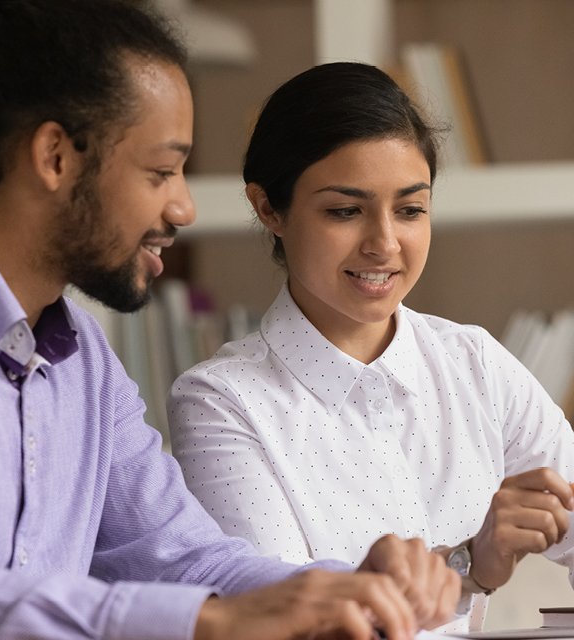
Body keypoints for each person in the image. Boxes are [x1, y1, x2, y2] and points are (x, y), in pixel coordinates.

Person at [0, 2, 463, 639]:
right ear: (55, 157)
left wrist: (342, 591)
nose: (183, 208)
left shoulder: (84, 365)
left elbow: (184, 559)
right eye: (161, 172)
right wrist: (205, 623)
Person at [167, 61, 574, 631]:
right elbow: (288, 622)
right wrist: (467, 566)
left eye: (410, 210)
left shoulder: (475, 363)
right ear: (268, 208)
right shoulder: (221, 402)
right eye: (345, 211)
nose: (385, 244)